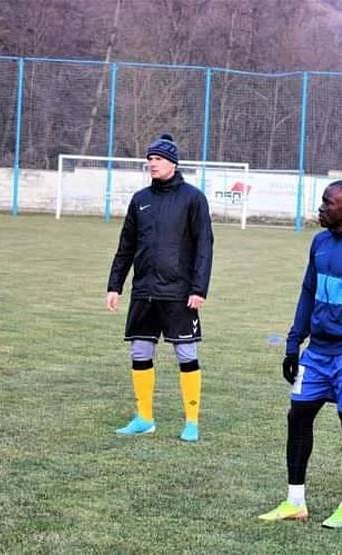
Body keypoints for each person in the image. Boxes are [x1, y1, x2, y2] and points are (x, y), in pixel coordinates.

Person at [258, 180, 342, 529]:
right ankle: (295, 502)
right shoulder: (319, 242)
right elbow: (307, 292)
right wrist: (293, 344)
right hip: (316, 353)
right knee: (297, 418)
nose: (320, 208)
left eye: (327, 202)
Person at [106, 133, 213, 442]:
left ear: (173, 163)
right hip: (144, 291)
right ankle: (144, 418)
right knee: (140, 351)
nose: (152, 164)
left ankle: (191, 422)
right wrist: (115, 285)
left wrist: (199, 288)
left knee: (186, 353)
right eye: (150, 159)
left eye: (158, 159)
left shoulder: (193, 198)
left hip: (180, 293)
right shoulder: (140, 200)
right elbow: (125, 246)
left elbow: (205, 245)